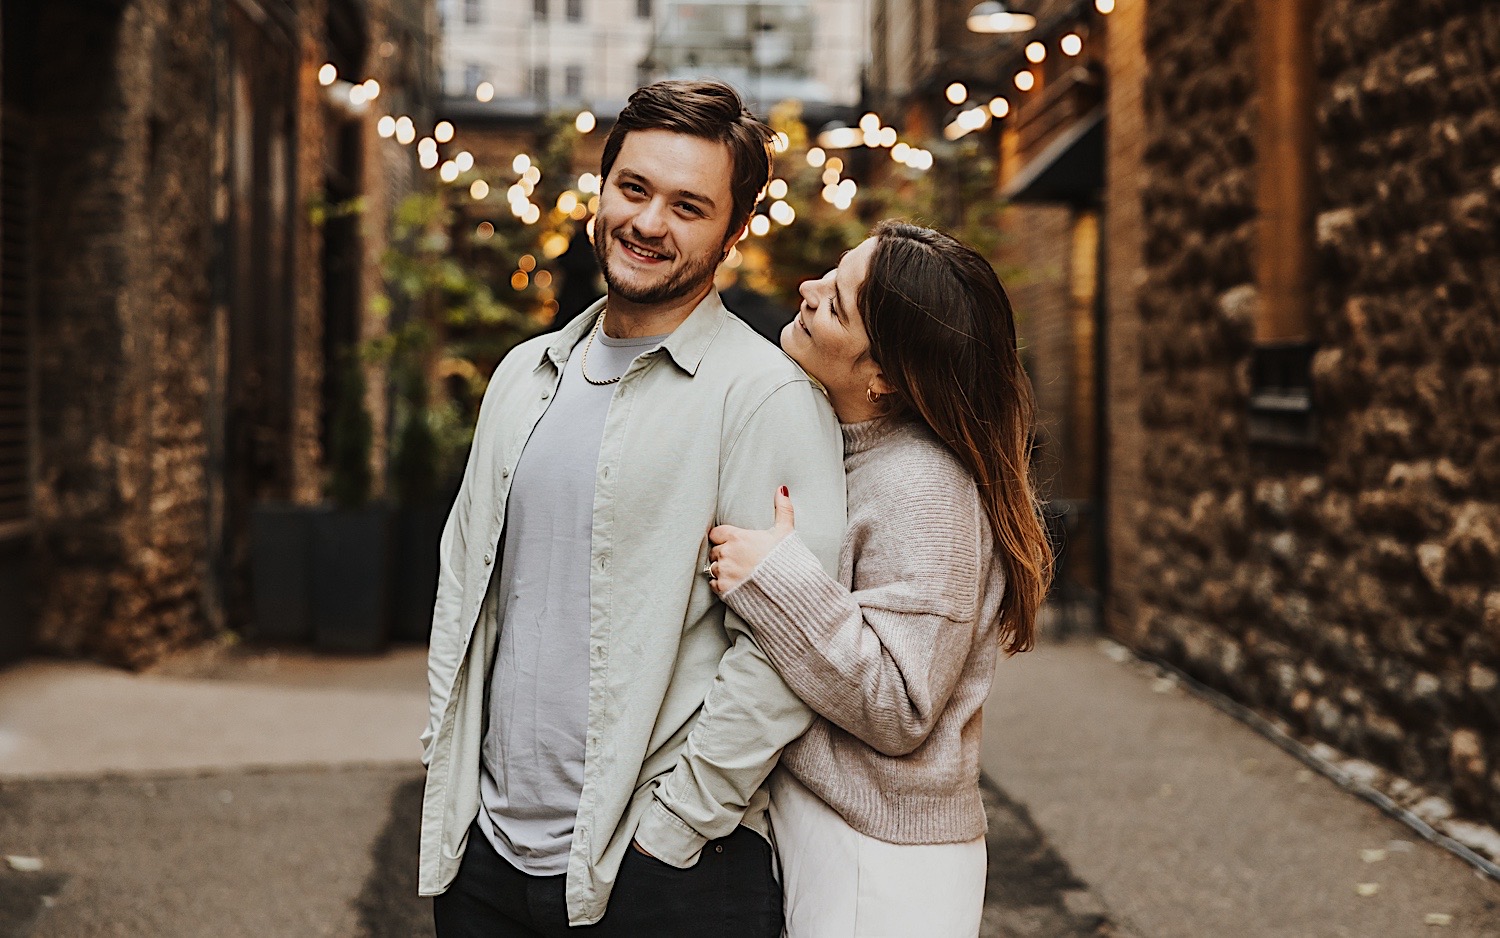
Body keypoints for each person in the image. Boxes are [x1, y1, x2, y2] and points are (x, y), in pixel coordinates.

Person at [417, 80, 846, 936]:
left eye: (689, 206)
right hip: (489, 864)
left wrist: (673, 832)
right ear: (601, 193)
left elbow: (785, 649)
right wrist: (449, 788)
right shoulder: (523, 377)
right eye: (635, 189)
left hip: (661, 881)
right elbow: (467, 587)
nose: (650, 224)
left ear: (733, 230)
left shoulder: (764, 397)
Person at [707, 220, 1053, 937]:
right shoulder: (858, 451)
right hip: (843, 833)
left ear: (885, 376)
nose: (804, 293)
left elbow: (900, 704)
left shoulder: (923, 485)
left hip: (885, 860)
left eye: (833, 304)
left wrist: (774, 581)